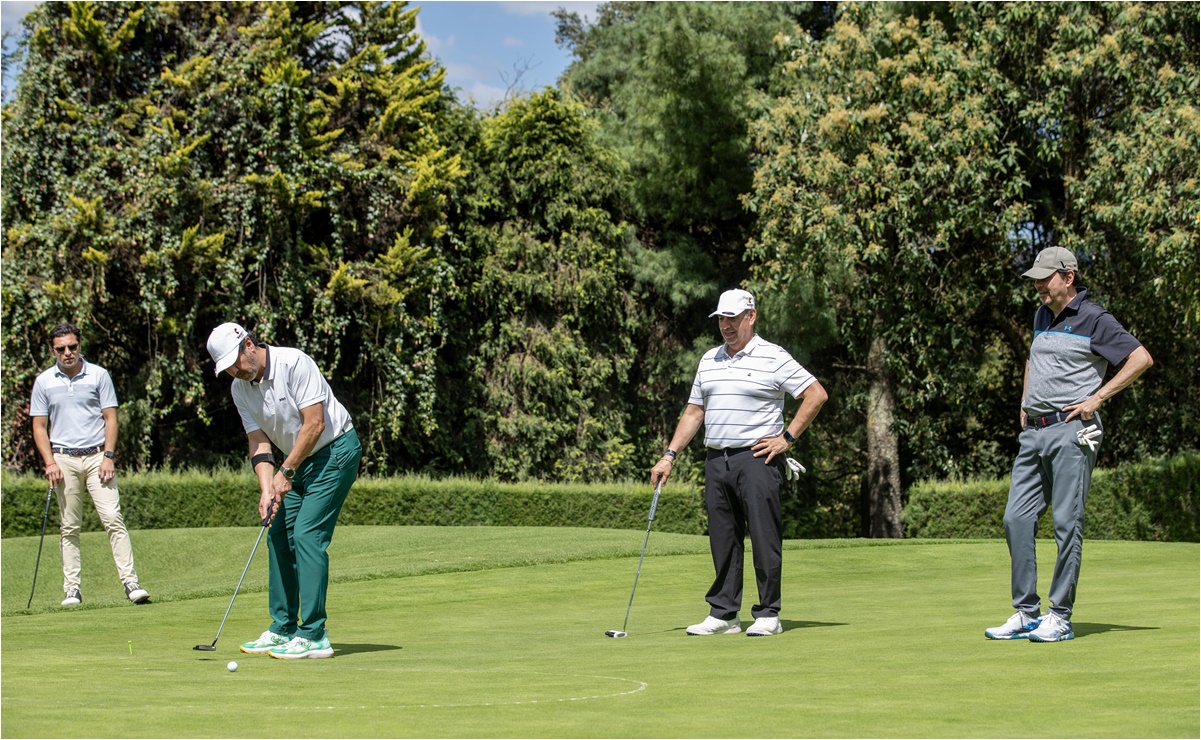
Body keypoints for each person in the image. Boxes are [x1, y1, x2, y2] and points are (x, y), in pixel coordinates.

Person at [986, 247, 1153, 643]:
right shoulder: (1042, 314)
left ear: (1068, 277)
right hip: (1034, 432)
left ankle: (1059, 616)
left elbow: (1140, 358)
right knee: (1016, 519)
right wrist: (1025, 402)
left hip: (1071, 431)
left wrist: (1097, 399)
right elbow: (1033, 358)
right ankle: (1027, 613)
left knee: (1066, 523)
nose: (1039, 286)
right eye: (1037, 280)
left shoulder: (1095, 319)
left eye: (1045, 279)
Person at [650, 289, 827, 637]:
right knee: (723, 539)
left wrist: (786, 438)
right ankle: (724, 613)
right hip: (717, 459)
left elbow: (815, 394)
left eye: (732, 318)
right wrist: (669, 455)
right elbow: (694, 412)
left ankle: (767, 614)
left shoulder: (773, 356)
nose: (726, 326)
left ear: (751, 316)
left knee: (764, 537)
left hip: (758, 458)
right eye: (721, 319)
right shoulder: (708, 360)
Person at [206, 322, 362, 660]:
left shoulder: (295, 363)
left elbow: (315, 423)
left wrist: (285, 472)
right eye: (227, 368)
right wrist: (267, 489)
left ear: (249, 344)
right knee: (276, 530)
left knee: (307, 535)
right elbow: (259, 442)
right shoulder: (240, 388)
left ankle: (314, 634)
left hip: (334, 451)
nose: (235, 371)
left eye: (236, 362)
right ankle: (282, 627)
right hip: (297, 459)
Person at [29, 322, 150, 607]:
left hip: (98, 456)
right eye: (61, 349)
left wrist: (109, 456)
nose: (68, 353)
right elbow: (39, 426)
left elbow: (110, 418)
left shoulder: (99, 375)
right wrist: (49, 463)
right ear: (52, 350)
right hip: (63, 458)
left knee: (112, 518)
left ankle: (130, 582)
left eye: (72, 347)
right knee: (69, 526)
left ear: (79, 345)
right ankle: (72, 589)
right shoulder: (44, 381)